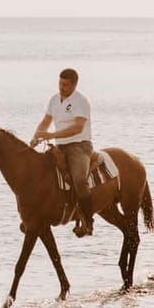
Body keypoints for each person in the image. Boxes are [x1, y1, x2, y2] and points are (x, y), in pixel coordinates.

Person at [31, 68, 95, 236]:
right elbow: (46, 121)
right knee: (39, 174)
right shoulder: (54, 99)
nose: (62, 87)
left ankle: (88, 221)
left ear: (74, 84)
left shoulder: (81, 101)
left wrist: (51, 135)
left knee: (80, 180)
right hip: (60, 146)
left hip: (79, 146)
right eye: (60, 83)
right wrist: (37, 136)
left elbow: (77, 128)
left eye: (66, 85)